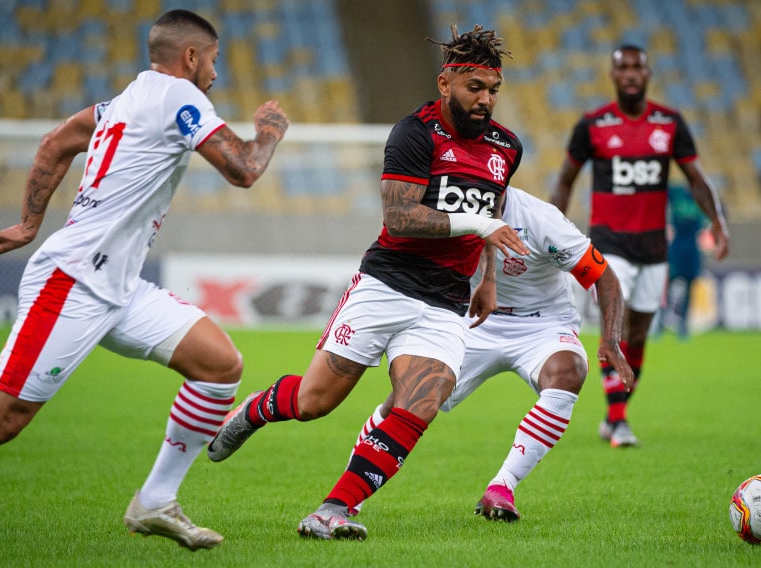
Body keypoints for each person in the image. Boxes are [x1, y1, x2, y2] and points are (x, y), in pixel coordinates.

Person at [0, 9, 288, 551]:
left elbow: (56, 141)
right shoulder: (179, 97)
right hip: (72, 282)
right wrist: (267, 133)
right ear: (190, 57)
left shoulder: (123, 101)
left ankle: (155, 503)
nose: (216, 72)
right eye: (213, 60)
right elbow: (243, 168)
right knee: (0, 420)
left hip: (120, 287)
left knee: (219, 367)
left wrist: (29, 224)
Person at [207, 24, 527, 541]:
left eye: (493, 90)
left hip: (447, 300)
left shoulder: (507, 147)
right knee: (314, 403)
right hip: (386, 285)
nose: (485, 100)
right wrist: (481, 227)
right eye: (475, 88)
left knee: (422, 401)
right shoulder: (414, 132)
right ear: (446, 85)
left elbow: (492, 212)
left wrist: (488, 277)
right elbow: (401, 217)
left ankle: (333, 509)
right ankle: (258, 408)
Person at [347, 185, 633, 522]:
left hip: (541, 324)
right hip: (472, 320)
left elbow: (604, 277)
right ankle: (349, 496)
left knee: (569, 372)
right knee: (405, 401)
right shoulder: (445, 208)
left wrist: (611, 339)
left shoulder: (541, 219)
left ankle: (502, 486)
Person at [550, 44, 729, 448]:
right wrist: (553, 228)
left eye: (637, 67)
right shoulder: (593, 125)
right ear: (613, 75)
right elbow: (565, 179)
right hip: (609, 244)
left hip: (654, 249)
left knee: (639, 336)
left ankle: (617, 414)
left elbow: (696, 178)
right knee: (614, 326)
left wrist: (717, 220)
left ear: (647, 74)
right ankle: (617, 421)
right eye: (623, 68)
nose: (630, 74)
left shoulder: (669, 123)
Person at [656, 183, 709, 340]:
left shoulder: (701, 193)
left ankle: (683, 325)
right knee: (669, 285)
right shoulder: (676, 192)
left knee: (689, 287)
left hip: (693, 248)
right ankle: (660, 323)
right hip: (677, 247)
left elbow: (718, 209)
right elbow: (661, 192)